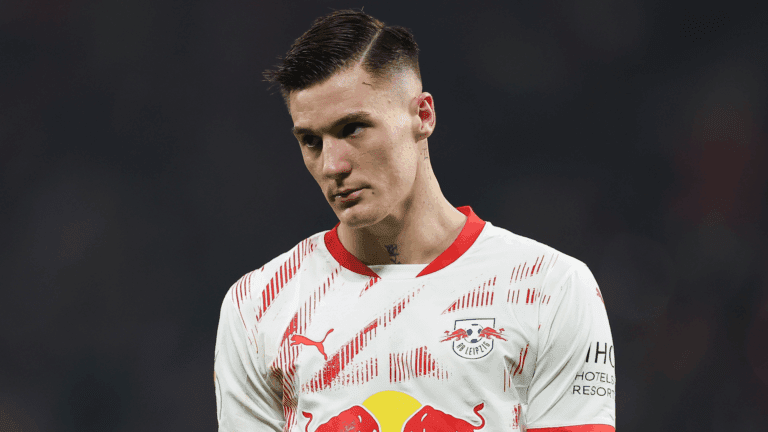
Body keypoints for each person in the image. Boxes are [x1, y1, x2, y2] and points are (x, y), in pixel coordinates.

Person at [214, 9, 616, 432]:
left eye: (353, 128)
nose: (332, 165)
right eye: (311, 141)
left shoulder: (550, 288)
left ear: (423, 116)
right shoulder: (258, 306)